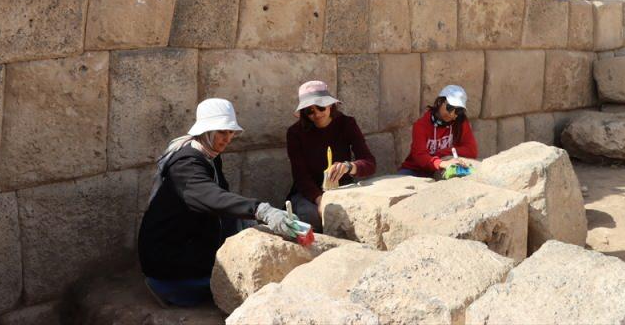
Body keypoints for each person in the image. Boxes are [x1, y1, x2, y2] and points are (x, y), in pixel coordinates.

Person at [138, 98, 299, 307]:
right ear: (206, 131)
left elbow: (222, 195)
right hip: (168, 260)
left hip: (191, 240)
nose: (228, 138)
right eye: (222, 132)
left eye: (231, 132)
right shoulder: (186, 164)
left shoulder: (210, 155)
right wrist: (261, 210)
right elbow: (212, 197)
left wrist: (249, 222)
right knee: (234, 287)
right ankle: (170, 291)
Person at [286, 80, 376, 232]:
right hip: (309, 194)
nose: (317, 114)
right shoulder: (295, 133)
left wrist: (349, 167)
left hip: (342, 188)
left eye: (321, 107)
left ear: (330, 105)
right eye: (310, 111)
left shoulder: (347, 124)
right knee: (311, 216)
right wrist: (320, 200)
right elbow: (300, 176)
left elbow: (369, 163)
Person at [398, 85, 478, 178]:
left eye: (458, 111)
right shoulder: (421, 125)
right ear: (440, 102)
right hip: (415, 169)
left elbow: (472, 150)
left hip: (443, 165)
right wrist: (442, 163)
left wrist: (443, 154)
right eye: (450, 107)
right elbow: (420, 156)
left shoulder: (460, 122)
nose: (452, 114)